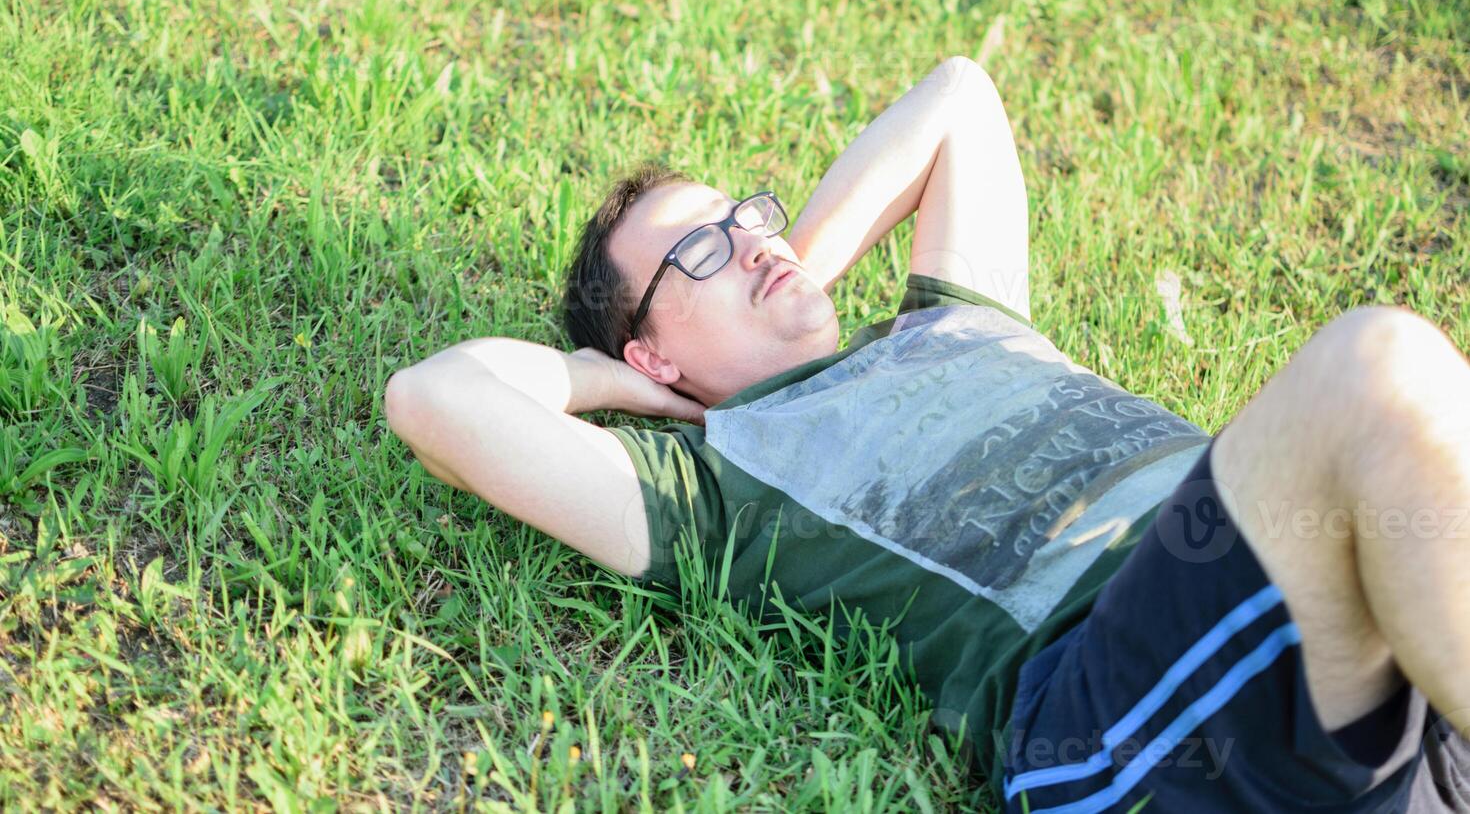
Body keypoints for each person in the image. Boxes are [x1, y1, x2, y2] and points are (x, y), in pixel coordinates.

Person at [383, 56, 1470, 812]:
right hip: (1129, 702)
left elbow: (962, 96)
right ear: (650, 354)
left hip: (1342, 635)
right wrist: (598, 380)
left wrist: (781, 265)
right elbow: (436, 402)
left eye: (743, 216)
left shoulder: (955, 319)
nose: (753, 241)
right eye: (700, 253)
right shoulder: (715, 485)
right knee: (1379, 367)